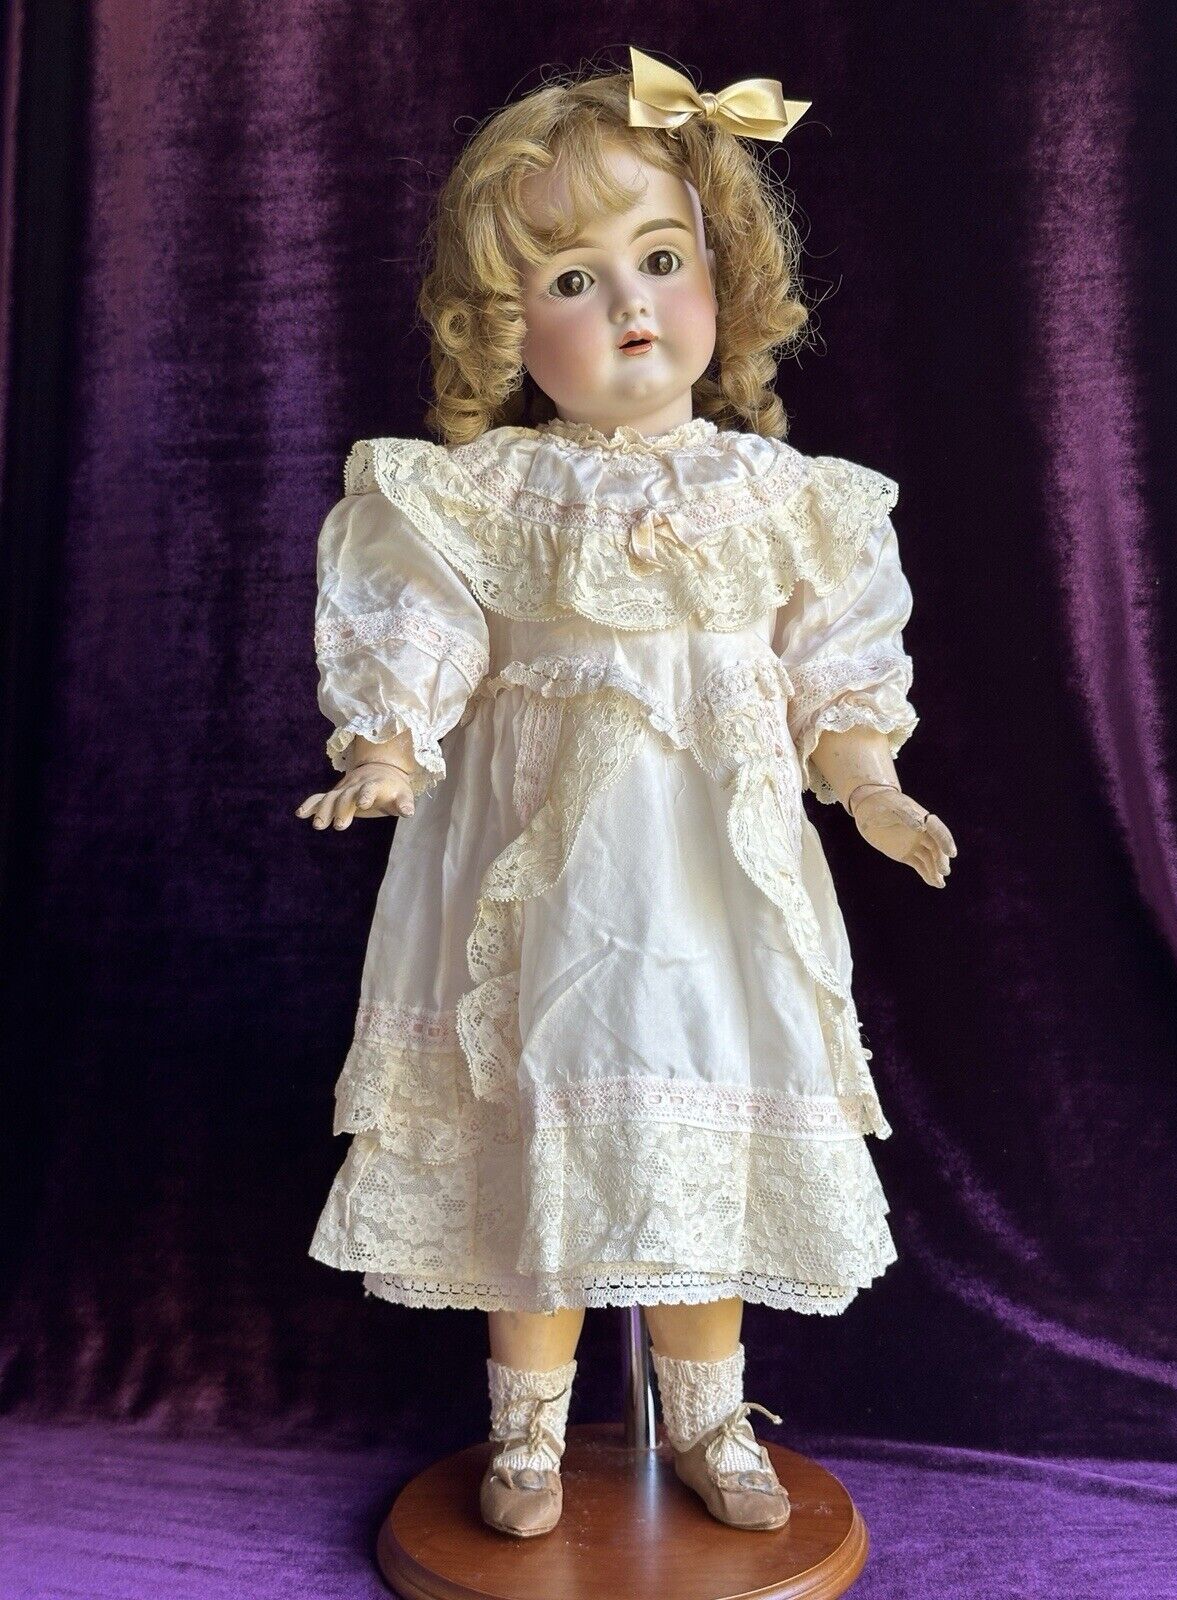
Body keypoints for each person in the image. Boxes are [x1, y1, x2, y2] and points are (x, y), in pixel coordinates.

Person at [296, 47, 957, 1540]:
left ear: (723, 275)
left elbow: (833, 669)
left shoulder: (786, 500)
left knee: (699, 1139)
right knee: (532, 1131)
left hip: (711, 895)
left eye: (661, 259)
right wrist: (386, 744)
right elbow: (424, 627)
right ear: (503, 320)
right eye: (573, 280)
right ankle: (528, 1435)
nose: (630, 305)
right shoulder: (485, 493)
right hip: (536, 898)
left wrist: (869, 786)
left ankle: (709, 1412)